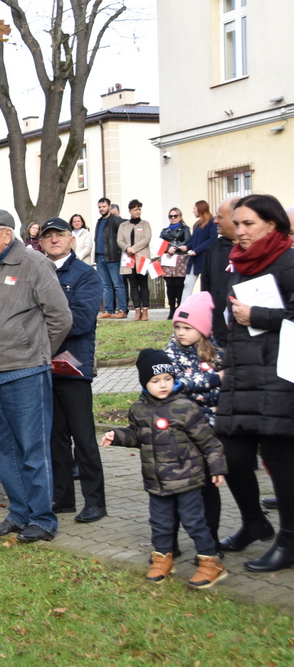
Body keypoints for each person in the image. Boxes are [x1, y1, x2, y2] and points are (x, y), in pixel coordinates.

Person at [0, 209, 72, 543]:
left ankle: (43, 519)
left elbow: (60, 317)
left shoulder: (33, 264)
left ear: (6, 234)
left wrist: (36, 352)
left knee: (32, 449)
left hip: (26, 372)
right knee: (4, 450)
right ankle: (19, 513)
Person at [100, 349, 227, 589]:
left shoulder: (184, 407)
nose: (163, 385)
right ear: (144, 383)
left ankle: (211, 561)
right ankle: (162, 557)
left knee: (193, 521)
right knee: (159, 522)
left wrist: (217, 467)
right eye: (155, 381)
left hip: (187, 479)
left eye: (167, 378)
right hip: (156, 481)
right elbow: (137, 435)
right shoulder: (138, 409)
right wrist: (116, 435)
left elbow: (209, 442)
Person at [214, 193, 294, 572]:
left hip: (279, 377)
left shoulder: (289, 260)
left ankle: (290, 541)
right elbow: (232, 323)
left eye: (249, 224)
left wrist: (257, 314)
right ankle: (253, 522)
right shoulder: (240, 265)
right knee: (231, 455)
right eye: (238, 223)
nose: (239, 231)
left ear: (272, 225)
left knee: (280, 460)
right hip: (242, 375)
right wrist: (225, 363)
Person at [40, 218, 106, 524]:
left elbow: (80, 320)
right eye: (48, 236)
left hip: (74, 366)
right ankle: (63, 497)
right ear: (40, 242)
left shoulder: (86, 275)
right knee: (54, 438)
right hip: (41, 367)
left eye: (60, 235)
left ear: (71, 240)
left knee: (83, 437)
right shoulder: (36, 272)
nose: (53, 240)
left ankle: (95, 502)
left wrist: (40, 329)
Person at [163, 291, 223, 553]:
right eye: (177, 326)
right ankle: (169, 541)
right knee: (175, 489)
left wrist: (188, 386)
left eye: (187, 327)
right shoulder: (170, 353)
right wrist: (212, 381)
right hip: (178, 435)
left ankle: (210, 543)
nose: (180, 332)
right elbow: (169, 387)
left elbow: (224, 389)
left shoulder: (217, 353)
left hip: (208, 435)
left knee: (209, 488)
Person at [201, 198, 238, 343]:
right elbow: (206, 285)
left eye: (220, 217)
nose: (215, 221)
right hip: (219, 330)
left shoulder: (256, 248)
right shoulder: (214, 247)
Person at [95, 197, 128, 318]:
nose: (101, 209)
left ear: (109, 207)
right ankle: (108, 310)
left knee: (118, 284)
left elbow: (125, 234)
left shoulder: (116, 220)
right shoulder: (99, 221)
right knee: (105, 286)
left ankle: (122, 310)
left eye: (103, 206)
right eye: (99, 207)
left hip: (113, 257)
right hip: (100, 257)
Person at [159, 207, 191, 319]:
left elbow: (187, 240)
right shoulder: (165, 230)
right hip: (168, 258)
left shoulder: (185, 228)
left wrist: (175, 248)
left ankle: (179, 307)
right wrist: (169, 248)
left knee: (179, 284)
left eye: (175, 216)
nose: (173, 218)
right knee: (169, 284)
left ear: (180, 217)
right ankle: (172, 308)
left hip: (180, 258)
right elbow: (161, 242)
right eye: (171, 216)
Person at [182, 201, 217, 301]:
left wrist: (196, 250)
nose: (193, 211)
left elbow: (212, 239)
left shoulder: (212, 222)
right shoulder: (197, 224)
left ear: (200, 209)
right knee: (188, 284)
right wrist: (187, 247)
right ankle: (183, 310)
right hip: (194, 259)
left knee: (206, 286)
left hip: (206, 259)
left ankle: (207, 308)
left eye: (194, 209)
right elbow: (194, 240)